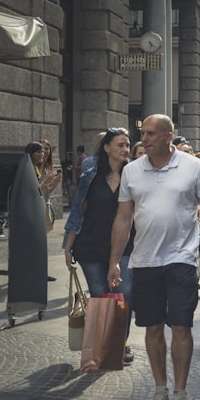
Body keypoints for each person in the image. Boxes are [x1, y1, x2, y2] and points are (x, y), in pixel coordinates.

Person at [107, 115, 200, 400]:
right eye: (143, 133)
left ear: (168, 136)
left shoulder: (193, 166)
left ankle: (180, 392)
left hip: (182, 258)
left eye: (150, 133)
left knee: (181, 326)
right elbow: (123, 218)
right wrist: (114, 261)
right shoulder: (132, 171)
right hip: (145, 260)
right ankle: (160, 388)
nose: (144, 138)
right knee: (152, 326)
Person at [64, 128, 136, 364]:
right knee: (102, 296)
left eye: (127, 145)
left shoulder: (134, 175)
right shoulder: (91, 174)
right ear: (106, 148)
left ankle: (121, 342)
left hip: (125, 246)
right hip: (91, 246)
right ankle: (105, 348)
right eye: (120, 145)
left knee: (123, 295)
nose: (125, 149)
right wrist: (68, 245)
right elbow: (78, 209)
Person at [26, 142, 62, 231]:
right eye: (39, 152)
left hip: (39, 205)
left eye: (43, 151)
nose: (42, 154)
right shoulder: (28, 168)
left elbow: (43, 191)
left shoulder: (36, 167)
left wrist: (54, 182)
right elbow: (33, 191)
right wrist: (45, 181)